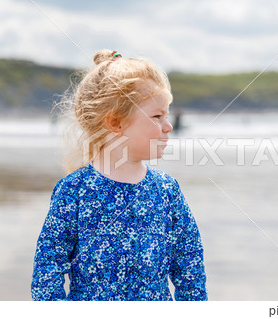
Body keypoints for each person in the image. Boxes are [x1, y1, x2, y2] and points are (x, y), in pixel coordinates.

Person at [31, 49, 208, 301]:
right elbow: (48, 270)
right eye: (157, 116)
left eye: (167, 115)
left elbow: (189, 269)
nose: (168, 126)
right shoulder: (74, 190)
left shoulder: (167, 191)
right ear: (115, 122)